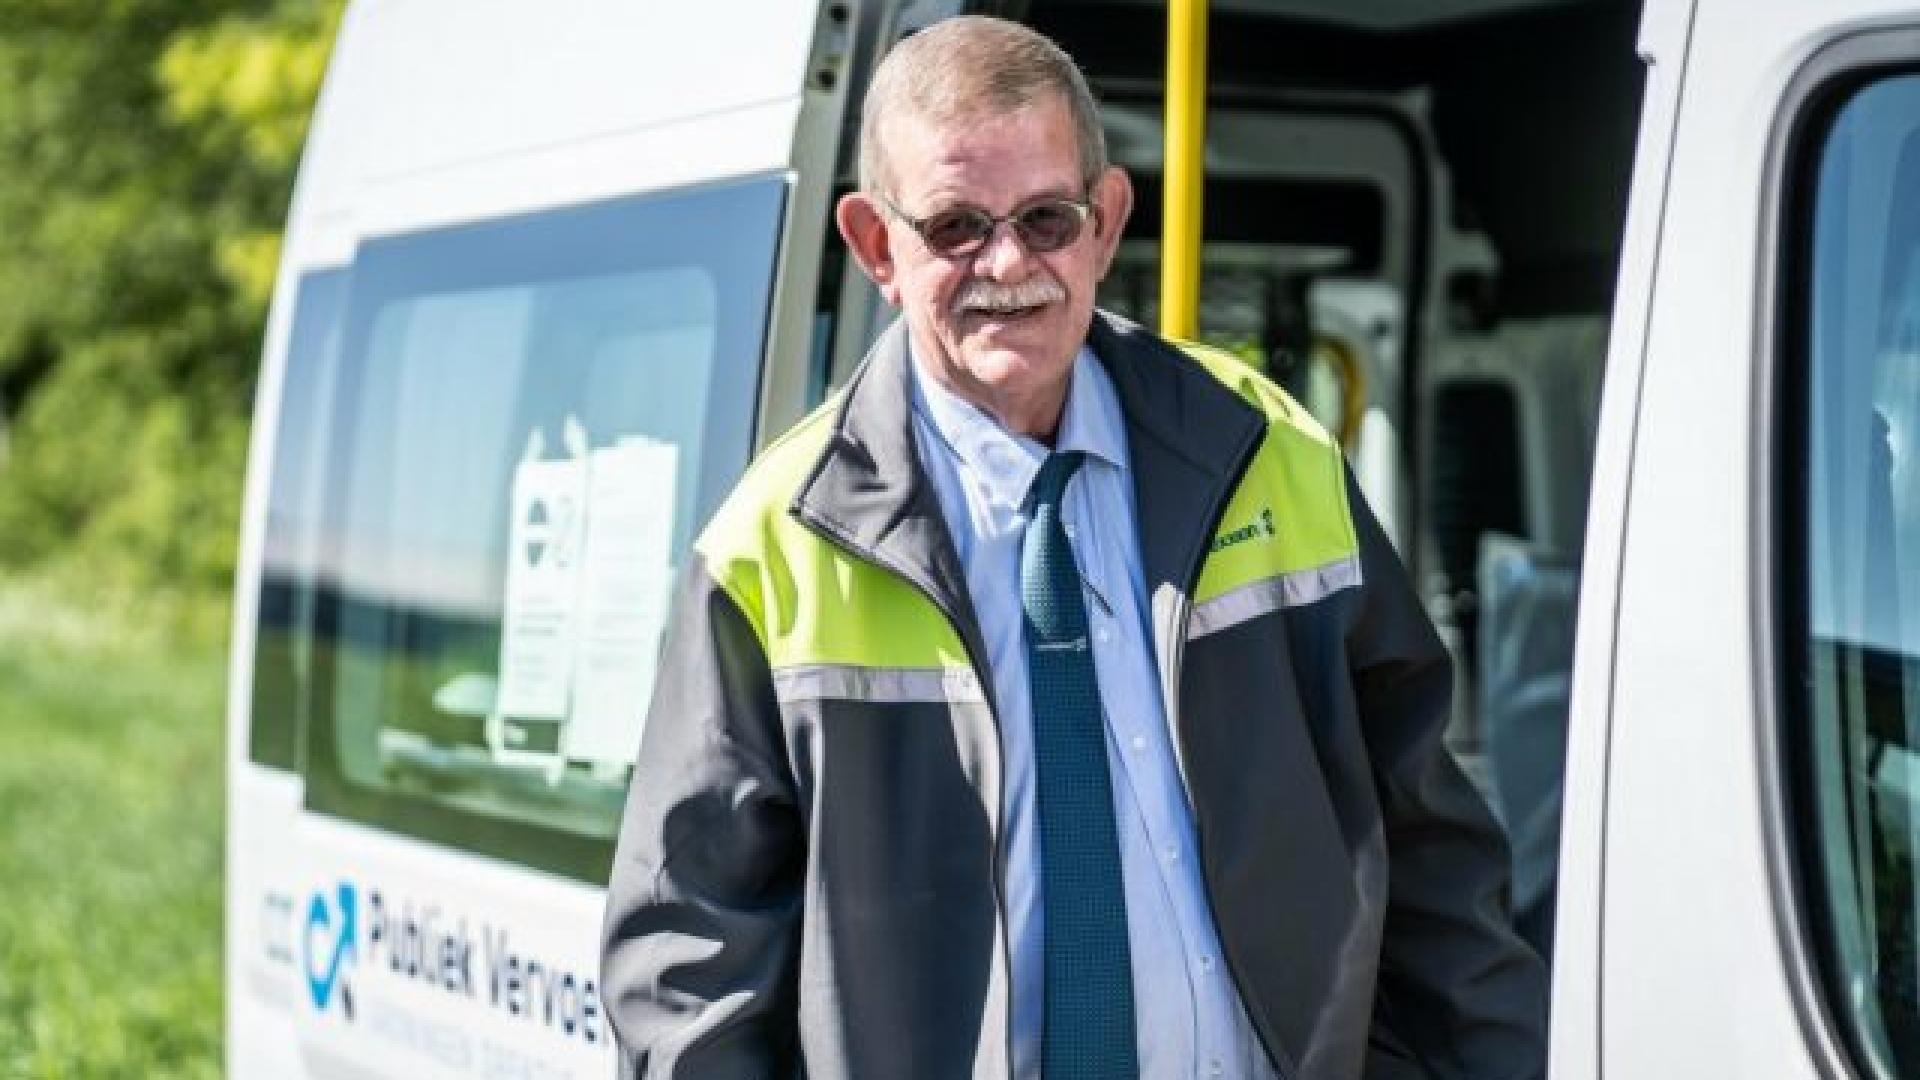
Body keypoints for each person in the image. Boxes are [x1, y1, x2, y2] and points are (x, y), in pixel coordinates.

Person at [601, 15, 1547, 1079]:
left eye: (1047, 218)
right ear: (876, 245)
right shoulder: (770, 547)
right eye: (957, 225)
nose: (1008, 262)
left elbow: (1433, 855)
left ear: (1105, 222)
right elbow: (691, 969)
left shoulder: (1269, 454)